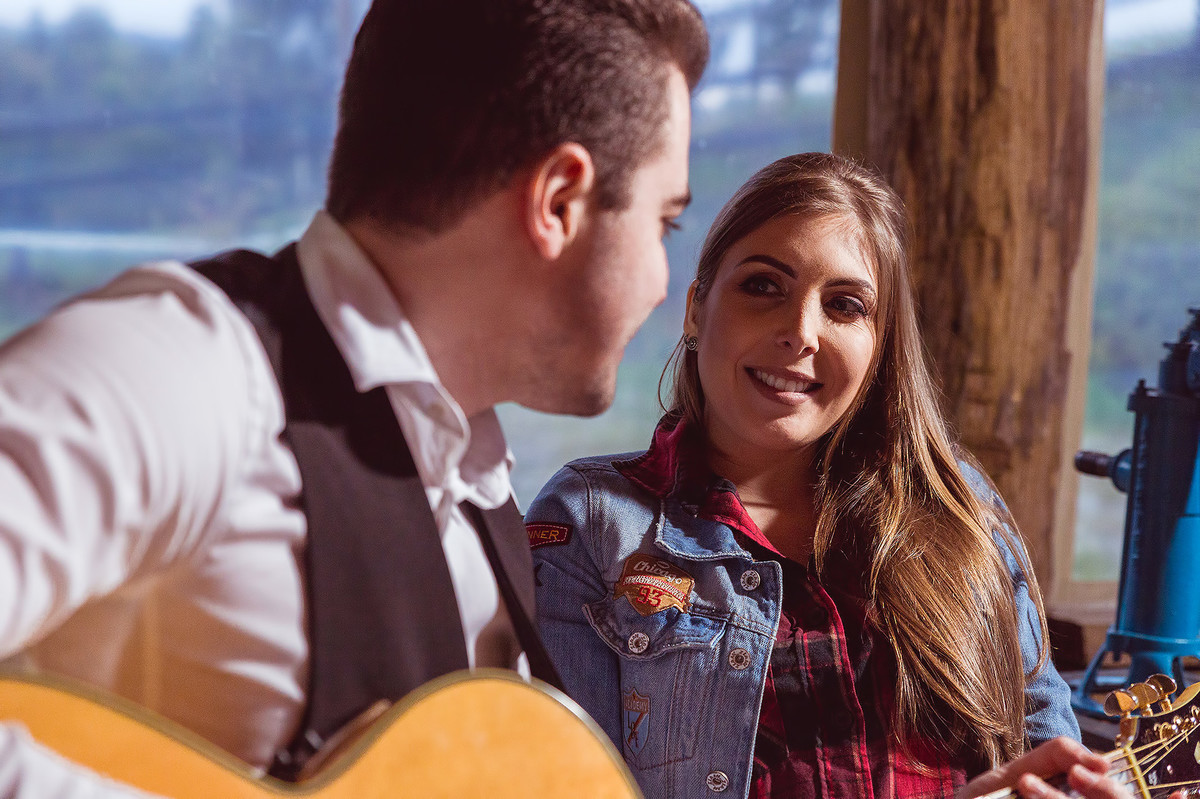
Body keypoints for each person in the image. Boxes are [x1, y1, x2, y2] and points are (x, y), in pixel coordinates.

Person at [0, 1, 707, 795]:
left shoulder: (477, 484)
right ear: (558, 201)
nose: (661, 285)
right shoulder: (183, 369)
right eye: (665, 223)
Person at [524, 153, 1136, 799]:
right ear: (696, 309)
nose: (800, 332)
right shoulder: (588, 523)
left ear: (880, 345)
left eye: (845, 305)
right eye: (763, 286)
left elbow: (1048, 754)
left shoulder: (960, 510)